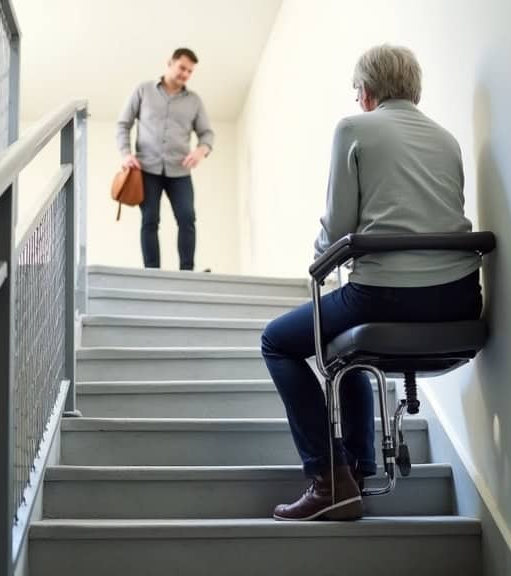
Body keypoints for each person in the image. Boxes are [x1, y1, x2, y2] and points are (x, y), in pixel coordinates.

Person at [262, 44, 484, 521]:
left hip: (385, 295)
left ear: (364, 92)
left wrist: (319, 260)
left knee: (277, 341)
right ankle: (357, 475)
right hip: (460, 297)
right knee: (345, 351)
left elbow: (340, 225)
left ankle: (329, 478)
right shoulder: (447, 139)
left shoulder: (353, 128)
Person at [116, 47, 215, 271]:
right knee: (150, 220)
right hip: (147, 169)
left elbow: (207, 134)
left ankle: (187, 272)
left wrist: (201, 150)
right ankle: (152, 272)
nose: (185, 74)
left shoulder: (194, 101)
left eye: (190, 71)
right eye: (182, 68)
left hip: (180, 171)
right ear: (169, 63)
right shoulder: (143, 90)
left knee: (187, 218)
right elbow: (123, 124)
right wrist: (126, 154)